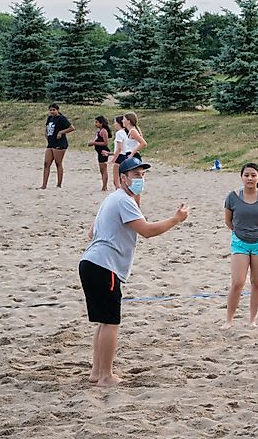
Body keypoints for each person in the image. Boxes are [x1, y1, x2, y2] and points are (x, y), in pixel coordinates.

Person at [79, 156, 189, 387]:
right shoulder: (122, 200)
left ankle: (96, 371)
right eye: (136, 175)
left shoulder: (114, 199)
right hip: (103, 265)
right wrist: (176, 219)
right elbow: (147, 231)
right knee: (110, 322)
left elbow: (91, 233)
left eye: (142, 175)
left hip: (91, 262)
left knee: (103, 321)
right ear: (122, 178)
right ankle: (106, 376)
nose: (140, 179)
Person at [222, 162, 258, 329]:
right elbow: (228, 221)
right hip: (240, 242)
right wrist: (241, 232)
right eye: (246, 175)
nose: (250, 178)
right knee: (237, 282)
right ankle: (229, 319)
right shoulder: (232, 197)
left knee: (257, 282)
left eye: (253, 175)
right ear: (241, 177)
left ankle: (252, 319)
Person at [41, 102, 75, 189]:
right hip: (51, 143)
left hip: (60, 143)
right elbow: (47, 128)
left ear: (57, 110)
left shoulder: (61, 118)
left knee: (58, 163)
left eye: (54, 110)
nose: (52, 112)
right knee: (46, 163)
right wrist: (46, 135)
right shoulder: (49, 118)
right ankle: (44, 184)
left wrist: (61, 132)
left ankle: (59, 184)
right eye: (50, 110)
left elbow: (71, 128)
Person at [88, 116, 112, 192]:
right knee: (102, 170)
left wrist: (94, 143)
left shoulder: (103, 131)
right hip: (99, 151)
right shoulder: (99, 131)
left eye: (97, 122)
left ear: (101, 123)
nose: (95, 124)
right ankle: (104, 185)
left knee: (103, 169)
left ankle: (104, 186)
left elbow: (105, 143)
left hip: (103, 151)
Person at [111, 116, 126, 190]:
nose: (114, 124)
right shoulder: (126, 132)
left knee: (116, 181)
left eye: (115, 122)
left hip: (119, 157)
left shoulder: (119, 133)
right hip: (125, 156)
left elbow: (119, 148)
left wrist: (114, 159)